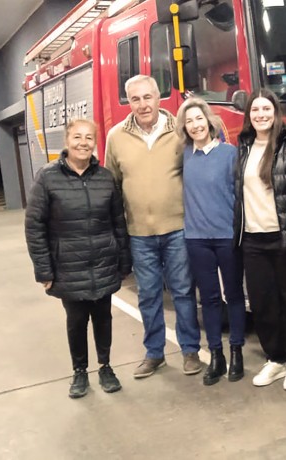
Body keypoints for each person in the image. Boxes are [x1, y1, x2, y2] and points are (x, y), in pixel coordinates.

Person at [25, 119, 131, 399]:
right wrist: (44, 270)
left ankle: (106, 367)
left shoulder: (105, 177)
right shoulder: (47, 177)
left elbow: (118, 222)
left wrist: (123, 261)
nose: (83, 143)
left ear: (95, 143)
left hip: (103, 261)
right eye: (77, 137)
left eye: (88, 138)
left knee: (103, 319)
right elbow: (35, 226)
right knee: (76, 321)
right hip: (67, 266)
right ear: (67, 141)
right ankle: (80, 372)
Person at [104, 75, 202, 379]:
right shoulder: (116, 136)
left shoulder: (179, 131)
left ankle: (190, 350)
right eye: (135, 99)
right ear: (128, 101)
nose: (142, 104)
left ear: (158, 97)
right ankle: (154, 353)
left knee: (183, 292)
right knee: (148, 295)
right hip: (139, 234)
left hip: (177, 229)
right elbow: (112, 185)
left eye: (148, 97)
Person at [233, 89, 286, 391]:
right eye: (255, 110)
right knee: (263, 303)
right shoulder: (243, 145)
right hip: (252, 239)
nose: (261, 115)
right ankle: (276, 359)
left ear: (276, 112)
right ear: (249, 115)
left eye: (266, 109)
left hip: (285, 236)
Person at [176, 97, 247, 386]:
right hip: (196, 239)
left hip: (227, 236)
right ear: (185, 127)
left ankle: (237, 352)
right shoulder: (184, 156)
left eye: (198, 119)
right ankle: (216, 355)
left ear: (209, 120)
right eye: (189, 121)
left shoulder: (230, 154)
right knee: (209, 299)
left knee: (234, 296)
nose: (195, 125)